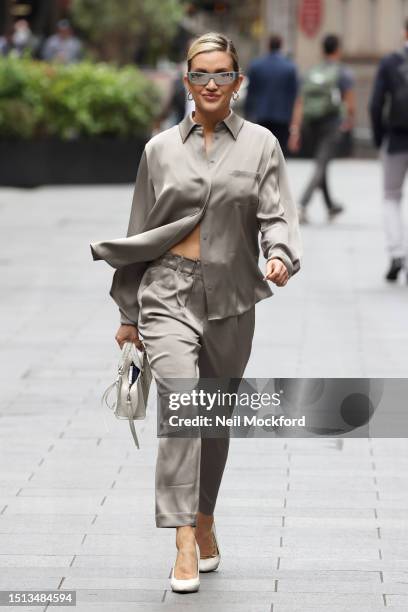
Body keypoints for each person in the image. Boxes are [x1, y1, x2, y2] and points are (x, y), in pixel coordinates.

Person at [90, 31, 302, 594]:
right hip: (168, 291)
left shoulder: (261, 145)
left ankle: (205, 516)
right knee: (184, 407)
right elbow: (140, 230)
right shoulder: (159, 150)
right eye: (201, 74)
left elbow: (277, 215)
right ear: (187, 81)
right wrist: (128, 309)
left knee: (213, 419)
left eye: (222, 74)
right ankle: (183, 536)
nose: (212, 84)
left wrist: (279, 254)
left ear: (237, 81)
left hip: (232, 296)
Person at [289, 34, 355, 223]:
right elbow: (350, 102)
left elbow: (300, 102)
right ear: (338, 50)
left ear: (322, 50)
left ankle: (331, 206)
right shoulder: (342, 72)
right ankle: (301, 205)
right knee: (321, 164)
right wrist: (349, 119)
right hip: (331, 123)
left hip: (310, 125)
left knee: (321, 162)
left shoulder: (311, 72)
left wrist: (295, 129)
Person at [369, 18, 408, 282]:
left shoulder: (391, 62)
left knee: (391, 197)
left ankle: (397, 253)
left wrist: (379, 137)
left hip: (396, 139)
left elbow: (374, 104)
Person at [244, 33, 299, 155]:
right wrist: (294, 124)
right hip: (283, 117)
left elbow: (250, 92)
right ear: (281, 46)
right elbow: (295, 96)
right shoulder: (290, 67)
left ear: (268, 46)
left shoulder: (256, 65)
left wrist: (248, 114)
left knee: (262, 150)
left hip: (261, 114)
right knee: (280, 151)